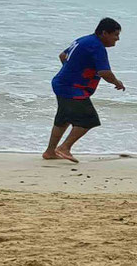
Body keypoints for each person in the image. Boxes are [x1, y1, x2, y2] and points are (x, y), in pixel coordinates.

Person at [43, 17, 124, 162]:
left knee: (63, 119)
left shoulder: (84, 40)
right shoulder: (97, 47)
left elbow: (63, 56)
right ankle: (64, 148)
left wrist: (71, 70)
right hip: (72, 89)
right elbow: (104, 72)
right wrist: (117, 83)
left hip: (62, 83)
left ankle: (50, 152)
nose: (117, 39)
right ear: (105, 33)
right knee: (89, 120)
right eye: (115, 35)